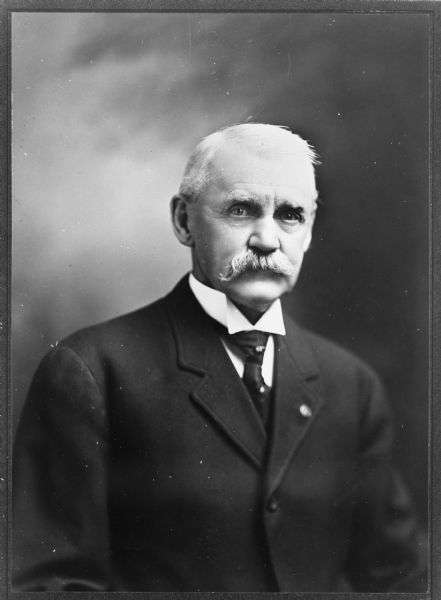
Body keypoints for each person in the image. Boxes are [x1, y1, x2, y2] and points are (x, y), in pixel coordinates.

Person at [12, 123, 426, 592]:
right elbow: (49, 585)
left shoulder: (351, 384)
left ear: (308, 232)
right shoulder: (92, 371)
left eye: (290, 215)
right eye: (241, 210)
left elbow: (401, 580)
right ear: (184, 222)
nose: (267, 240)